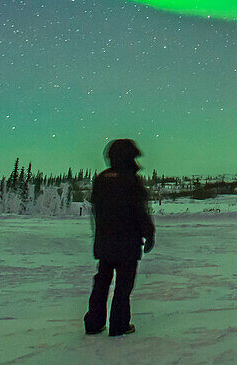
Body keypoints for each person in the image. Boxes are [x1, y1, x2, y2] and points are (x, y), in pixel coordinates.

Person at [83, 138, 156, 337]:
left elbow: (96, 210)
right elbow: (140, 211)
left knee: (102, 281)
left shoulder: (102, 178)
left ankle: (94, 323)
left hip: (105, 242)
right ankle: (119, 324)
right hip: (127, 243)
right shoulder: (131, 180)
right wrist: (149, 233)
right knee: (123, 285)